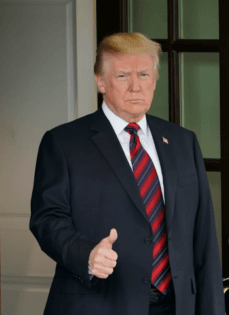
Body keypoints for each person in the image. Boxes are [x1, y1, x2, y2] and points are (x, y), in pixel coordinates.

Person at [30, 32, 224, 315]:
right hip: (99, 304)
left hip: (178, 306)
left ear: (155, 80)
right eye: (123, 76)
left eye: (144, 75)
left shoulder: (183, 141)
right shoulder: (63, 143)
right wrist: (87, 254)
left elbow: (203, 236)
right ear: (100, 81)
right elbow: (46, 219)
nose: (136, 87)